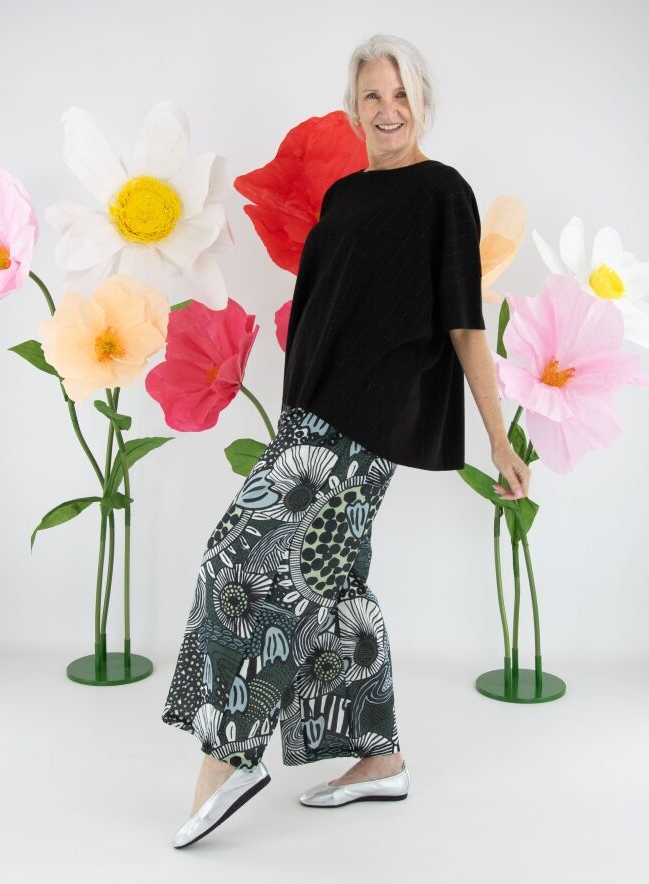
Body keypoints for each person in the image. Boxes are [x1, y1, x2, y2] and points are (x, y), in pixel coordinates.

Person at [163, 32, 531, 849]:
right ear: (353, 108)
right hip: (313, 413)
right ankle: (379, 757)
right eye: (372, 96)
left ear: (422, 103)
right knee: (331, 584)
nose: (387, 110)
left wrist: (497, 437)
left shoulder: (443, 193)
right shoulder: (342, 197)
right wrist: (293, 415)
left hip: (368, 416)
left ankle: (229, 757)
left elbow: (464, 324)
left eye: (400, 95)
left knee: (236, 560)